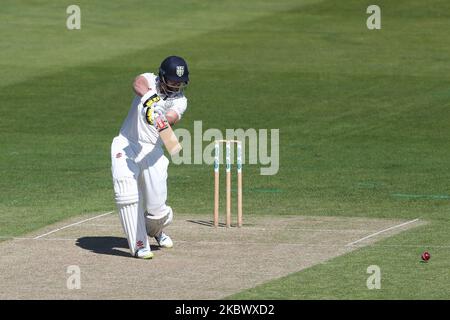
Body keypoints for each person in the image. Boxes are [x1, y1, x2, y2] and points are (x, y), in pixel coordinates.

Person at [110, 56, 189, 259]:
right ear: (162, 77)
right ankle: (138, 244)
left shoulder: (180, 101)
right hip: (127, 144)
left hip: (153, 152)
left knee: (157, 211)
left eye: (180, 83)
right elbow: (138, 83)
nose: (176, 86)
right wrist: (150, 98)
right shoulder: (150, 80)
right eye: (172, 81)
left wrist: (160, 115)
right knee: (126, 191)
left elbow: (172, 118)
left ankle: (155, 230)